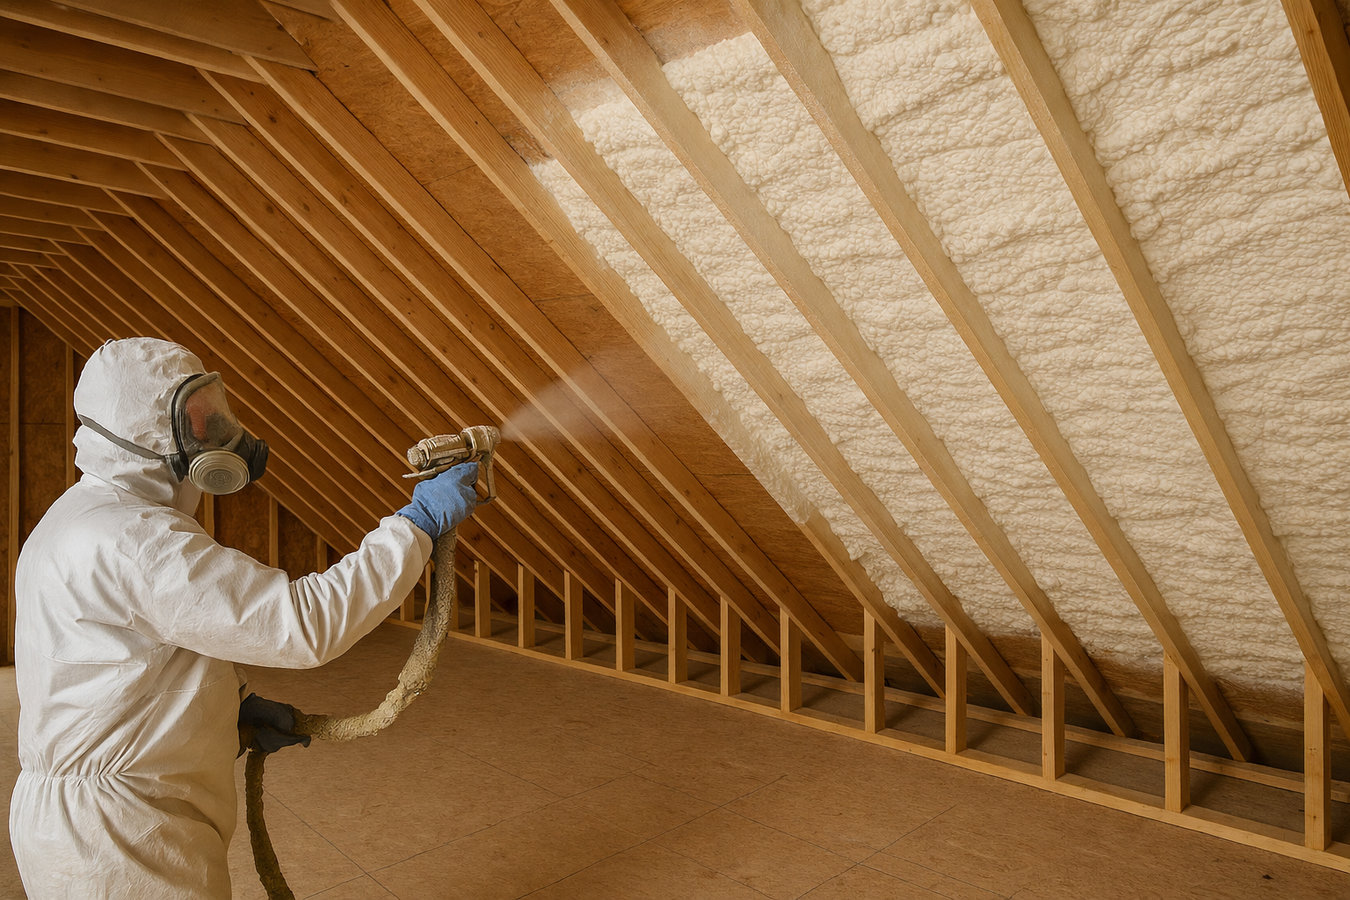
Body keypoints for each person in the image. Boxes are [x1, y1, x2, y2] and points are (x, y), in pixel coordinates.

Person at [9, 337, 478, 898]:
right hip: (122, 840)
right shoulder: (133, 539)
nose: (219, 433)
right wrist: (416, 525)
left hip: (99, 820)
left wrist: (223, 712)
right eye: (199, 422)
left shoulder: (84, 516)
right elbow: (303, 624)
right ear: (148, 434)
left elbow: (125, 668)